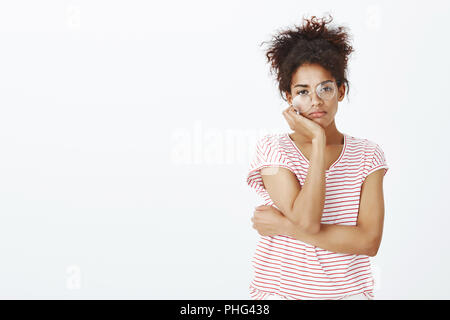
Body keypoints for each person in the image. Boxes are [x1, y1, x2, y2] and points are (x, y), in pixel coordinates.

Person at [246, 14, 389, 300]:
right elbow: (308, 221)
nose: (315, 100)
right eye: (302, 91)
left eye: (325, 88)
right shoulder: (273, 149)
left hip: (349, 294)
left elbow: (369, 241)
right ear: (289, 98)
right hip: (281, 294)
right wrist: (318, 143)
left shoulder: (368, 155)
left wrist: (284, 226)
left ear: (341, 90)